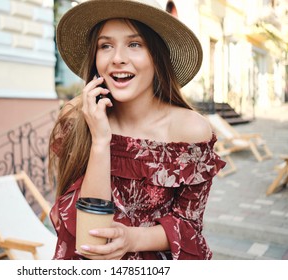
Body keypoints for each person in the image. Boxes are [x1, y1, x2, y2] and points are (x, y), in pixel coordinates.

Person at [48, 0, 226, 260]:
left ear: (156, 55)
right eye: (105, 45)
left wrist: (132, 239)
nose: (118, 58)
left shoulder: (191, 130)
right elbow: (88, 233)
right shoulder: (76, 120)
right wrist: (99, 140)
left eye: (134, 44)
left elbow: (189, 225)